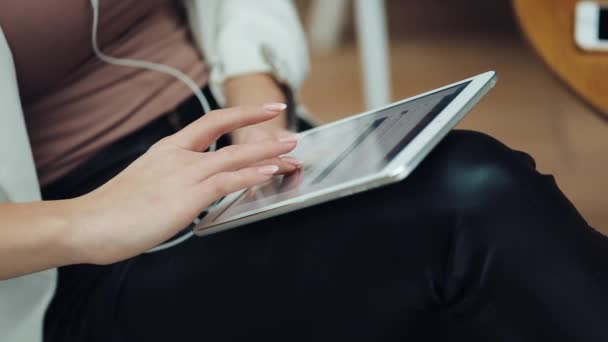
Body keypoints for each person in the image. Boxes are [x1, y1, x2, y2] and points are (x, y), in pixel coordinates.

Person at [0, 1, 606, 341]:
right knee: (473, 203)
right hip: (66, 258)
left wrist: (254, 97)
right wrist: (86, 222)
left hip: (225, 140)